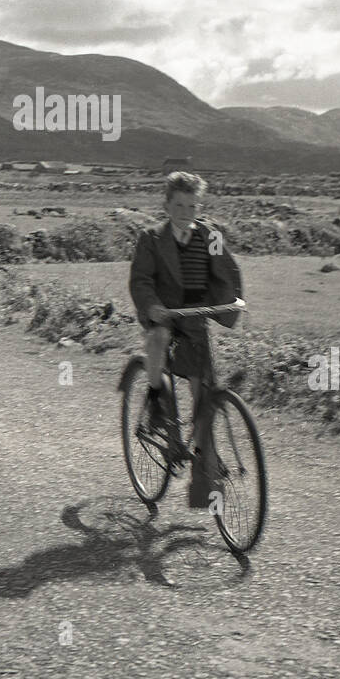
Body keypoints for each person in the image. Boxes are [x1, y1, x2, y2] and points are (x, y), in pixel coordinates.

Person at [128, 171, 242, 509]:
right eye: (179, 204)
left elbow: (227, 271)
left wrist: (232, 303)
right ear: (167, 205)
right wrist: (153, 307)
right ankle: (154, 400)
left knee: (203, 395)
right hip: (164, 315)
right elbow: (141, 279)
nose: (186, 211)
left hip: (194, 320)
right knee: (158, 339)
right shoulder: (150, 238)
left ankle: (204, 477)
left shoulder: (210, 236)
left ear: (199, 205)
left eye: (192, 204)